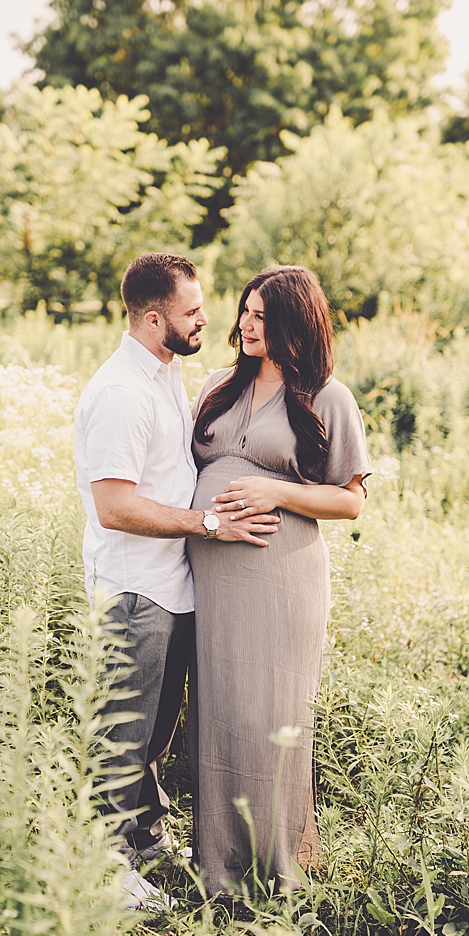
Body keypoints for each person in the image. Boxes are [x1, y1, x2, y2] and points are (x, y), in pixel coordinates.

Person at [72, 253, 282, 912]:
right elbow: (115, 505)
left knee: (155, 731)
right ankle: (105, 868)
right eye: (193, 311)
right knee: (122, 731)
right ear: (155, 316)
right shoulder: (119, 394)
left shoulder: (164, 371)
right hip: (135, 590)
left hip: (172, 585)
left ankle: (143, 837)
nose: (206, 320)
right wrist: (208, 523)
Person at [187, 265, 370, 894]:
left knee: (274, 713)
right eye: (244, 310)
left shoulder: (327, 397)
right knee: (219, 711)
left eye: (262, 315)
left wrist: (275, 490)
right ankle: (219, 864)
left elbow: (349, 502)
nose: (245, 323)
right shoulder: (216, 387)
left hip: (280, 576)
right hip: (209, 578)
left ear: (295, 323)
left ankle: (277, 866)